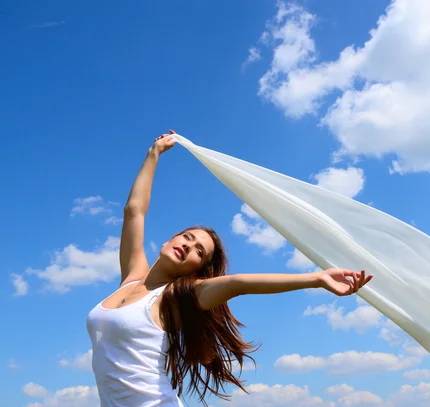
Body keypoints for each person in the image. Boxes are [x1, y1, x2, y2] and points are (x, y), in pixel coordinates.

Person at [86, 130, 373, 407]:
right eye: (188, 237)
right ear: (169, 240)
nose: (188, 246)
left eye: (199, 251)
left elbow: (239, 284)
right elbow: (133, 211)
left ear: (196, 270)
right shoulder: (131, 277)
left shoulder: (176, 297)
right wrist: (154, 153)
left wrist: (316, 278)